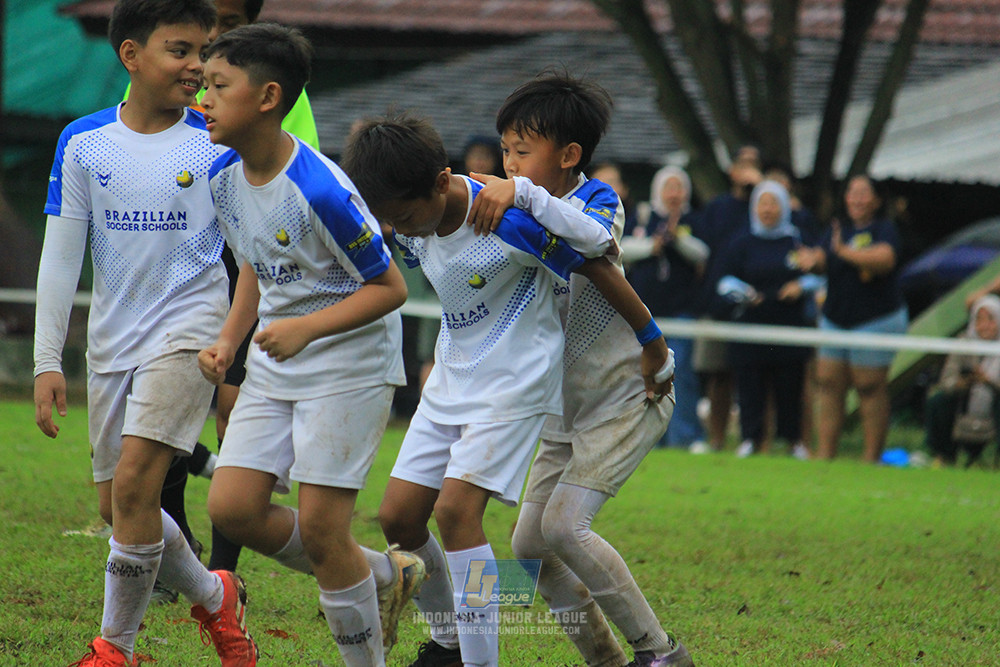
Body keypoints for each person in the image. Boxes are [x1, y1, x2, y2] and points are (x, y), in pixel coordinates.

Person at [341, 111, 672, 667]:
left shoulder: (506, 220)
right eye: (389, 218)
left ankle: (478, 659)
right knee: (398, 517)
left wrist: (652, 340)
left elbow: (598, 261)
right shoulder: (412, 227)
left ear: (441, 181)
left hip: (513, 387)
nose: (403, 228)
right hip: (452, 381)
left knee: (457, 515)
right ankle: (448, 638)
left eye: (405, 215)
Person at [33, 2, 258, 665]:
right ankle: (215, 594)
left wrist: (230, 340)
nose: (197, 66)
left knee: (135, 486)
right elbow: (61, 253)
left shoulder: (218, 144)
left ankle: (114, 648)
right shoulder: (83, 142)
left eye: (204, 52)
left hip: (190, 332)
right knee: (118, 504)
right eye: (180, 50)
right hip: (110, 343)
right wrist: (49, 358)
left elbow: (251, 261)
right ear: (131, 55)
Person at [197, 24, 425, 666]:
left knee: (326, 530)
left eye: (218, 86)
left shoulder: (321, 190)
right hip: (279, 357)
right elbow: (252, 266)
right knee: (233, 508)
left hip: (349, 362)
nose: (201, 99)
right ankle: (384, 574)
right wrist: (226, 341)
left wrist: (305, 328)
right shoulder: (223, 175)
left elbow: (389, 288)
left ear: (268, 97)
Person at [468, 74, 694, 667]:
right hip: (563, 408)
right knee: (528, 546)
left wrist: (520, 195)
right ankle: (604, 658)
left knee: (566, 526)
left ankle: (661, 653)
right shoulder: (512, 207)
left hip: (627, 395)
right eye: (506, 152)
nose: (509, 165)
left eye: (522, 152)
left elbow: (591, 243)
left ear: (568, 156)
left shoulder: (597, 202)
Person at [797, 174, 909, 462]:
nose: (856, 199)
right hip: (836, 317)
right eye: (851, 192)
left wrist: (845, 252)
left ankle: (870, 458)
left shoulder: (885, 229)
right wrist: (812, 262)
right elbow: (823, 259)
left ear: (876, 199)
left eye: (863, 193)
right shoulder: (837, 228)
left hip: (876, 318)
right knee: (828, 383)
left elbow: (885, 259)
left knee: (868, 385)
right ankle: (825, 455)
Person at [711, 181, 814, 460]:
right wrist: (745, 294)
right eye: (762, 203)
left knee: (790, 385)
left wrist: (800, 287)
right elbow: (724, 281)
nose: (768, 209)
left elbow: (819, 273)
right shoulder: (741, 241)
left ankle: (793, 440)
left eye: (773, 203)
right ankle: (749, 438)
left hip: (789, 325)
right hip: (750, 324)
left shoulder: (797, 240)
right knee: (750, 384)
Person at [621, 165, 708, 451]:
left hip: (681, 310)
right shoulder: (644, 216)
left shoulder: (692, 219)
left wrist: (677, 237)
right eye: (668, 187)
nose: (674, 193)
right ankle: (650, 438)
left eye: (679, 187)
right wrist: (651, 246)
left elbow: (703, 253)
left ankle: (683, 437)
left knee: (680, 371)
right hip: (646, 312)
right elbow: (620, 248)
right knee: (646, 372)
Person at [692, 148, 763, 451]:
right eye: (742, 165)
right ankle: (716, 439)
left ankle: (759, 442)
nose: (747, 172)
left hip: (757, 306)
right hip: (717, 305)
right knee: (718, 375)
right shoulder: (717, 208)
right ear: (732, 171)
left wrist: (760, 190)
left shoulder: (766, 206)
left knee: (757, 379)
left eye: (754, 166)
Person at [924, 295, 1000, 467]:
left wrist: (988, 382)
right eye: (979, 319)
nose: (984, 326)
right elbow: (947, 381)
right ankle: (944, 455)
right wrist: (966, 382)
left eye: (991, 319)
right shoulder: (964, 344)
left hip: (994, 406)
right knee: (939, 400)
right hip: (964, 403)